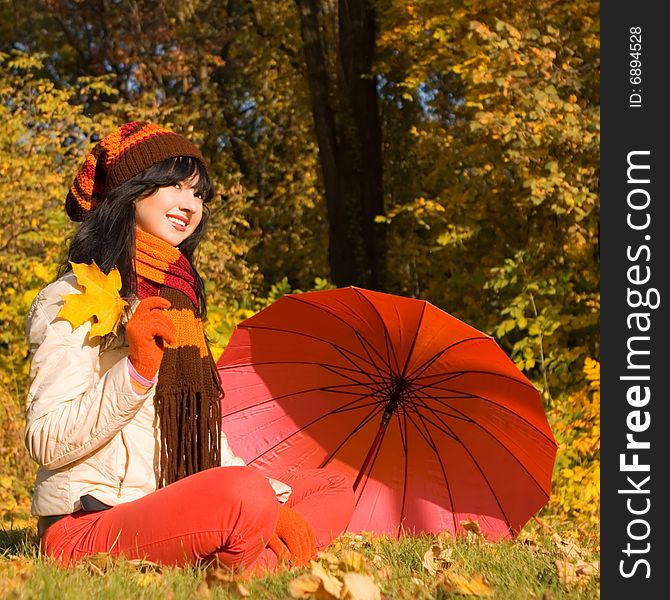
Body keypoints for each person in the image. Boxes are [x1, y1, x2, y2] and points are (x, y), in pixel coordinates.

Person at [24, 121, 355, 572]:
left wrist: (270, 496)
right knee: (245, 496)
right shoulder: (72, 297)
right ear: (132, 191)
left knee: (331, 487)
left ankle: (255, 565)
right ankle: (257, 552)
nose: (190, 204)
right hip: (90, 522)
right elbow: (46, 441)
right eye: (175, 186)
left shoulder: (181, 300)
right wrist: (136, 372)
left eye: (198, 194)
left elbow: (206, 439)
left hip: (171, 504)